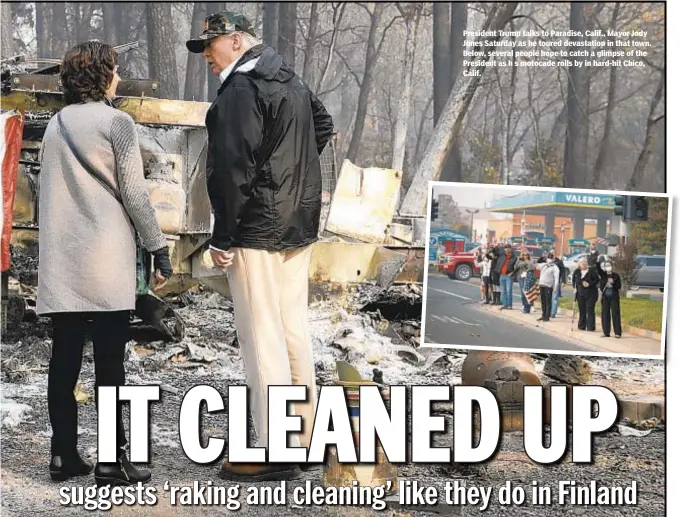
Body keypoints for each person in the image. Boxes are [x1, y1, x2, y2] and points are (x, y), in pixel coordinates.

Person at [186, 11, 333, 481]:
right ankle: (306, 438)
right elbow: (322, 126)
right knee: (293, 334)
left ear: (235, 40)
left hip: (254, 230)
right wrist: (293, 180)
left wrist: (223, 235)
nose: (207, 55)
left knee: (262, 338)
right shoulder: (289, 77)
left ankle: (276, 448)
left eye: (210, 45)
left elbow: (232, 169)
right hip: (297, 225)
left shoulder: (240, 89)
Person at [37, 42, 173, 486]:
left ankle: (63, 457)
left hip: (63, 263)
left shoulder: (56, 125)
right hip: (107, 260)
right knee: (110, 364)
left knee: (64, 362)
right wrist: (157, 245)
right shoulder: (118, 122)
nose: (118, 76)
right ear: (102, 75)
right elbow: (133, 194)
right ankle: (111, 463)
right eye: (114, 70)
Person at [572, 257, 600, 331]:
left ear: (587, 263)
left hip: (591, 294)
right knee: (582, 310)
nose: (584, 264)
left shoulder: (591, 271)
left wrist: (589, 284)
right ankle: (581, 326)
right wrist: (574, 288)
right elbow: (574, 281)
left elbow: (597, 280)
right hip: (580, 294)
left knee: (590, 309)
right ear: (579, 264)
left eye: (585, 262)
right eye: (582, 262)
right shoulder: (577, 272)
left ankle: (591, 327)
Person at [599, 260, 622, 338]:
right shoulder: (603, 275)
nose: (608, 267)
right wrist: (598, 260)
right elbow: (598, 269)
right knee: (605, 314)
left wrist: (613, 283)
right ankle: (606, 332)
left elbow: (619, 286)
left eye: (609, 265)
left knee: (615, 313)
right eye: (606, 266)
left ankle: (617, 332)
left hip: (614, 297)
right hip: (605, 297)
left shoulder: (616, 275)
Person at [536, 253, 560, 322]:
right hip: (542, 284)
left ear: (553, 259)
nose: (549, 259)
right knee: (543, 301)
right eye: (548, 257)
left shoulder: (555, 267)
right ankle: (543, 315)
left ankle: (547, 316)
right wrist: (542, 257)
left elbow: (556, 278)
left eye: (550, 258)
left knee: (548, 301)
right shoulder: (543, 265)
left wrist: (555, 287)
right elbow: (536, 265)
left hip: (549, 286)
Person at [495, 243, 517, 309]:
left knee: (509, 291)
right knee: (503, 291)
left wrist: (512, 273)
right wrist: (496, 247)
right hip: (502, 275)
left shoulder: (514, 257)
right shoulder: (502, 255)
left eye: (508, 248)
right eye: (505, 248)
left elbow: (516, 267)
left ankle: (509, 305)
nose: (506, 249)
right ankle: (504, 305)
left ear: (510, 249)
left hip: (509, 276)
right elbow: (495, 252)